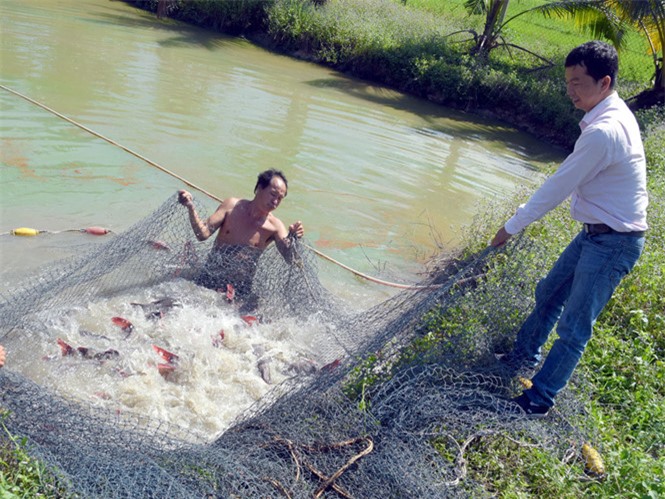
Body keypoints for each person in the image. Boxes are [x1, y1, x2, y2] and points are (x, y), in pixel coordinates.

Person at [491, 41, 648, 417]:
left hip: (614, 242)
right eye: (567, 82)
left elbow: (557, 187)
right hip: (596, 234)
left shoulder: (604, 131)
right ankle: (523, 357)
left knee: (574, 326)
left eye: (578, 82)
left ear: (604, 81)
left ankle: (538, 399)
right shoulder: (608, 111)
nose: (570, 91)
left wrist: (510, 227)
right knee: (549, 291)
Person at [178, 169, 304, 302]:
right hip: (209, 279)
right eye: (273, 194)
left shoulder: (275, 226)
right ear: (259, 188)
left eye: (280, 198)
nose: (275, 202)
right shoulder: (231, 206)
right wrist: (190, 207)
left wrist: (293, 238)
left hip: (241, 291)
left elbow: (292, 260)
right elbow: (202, 233)